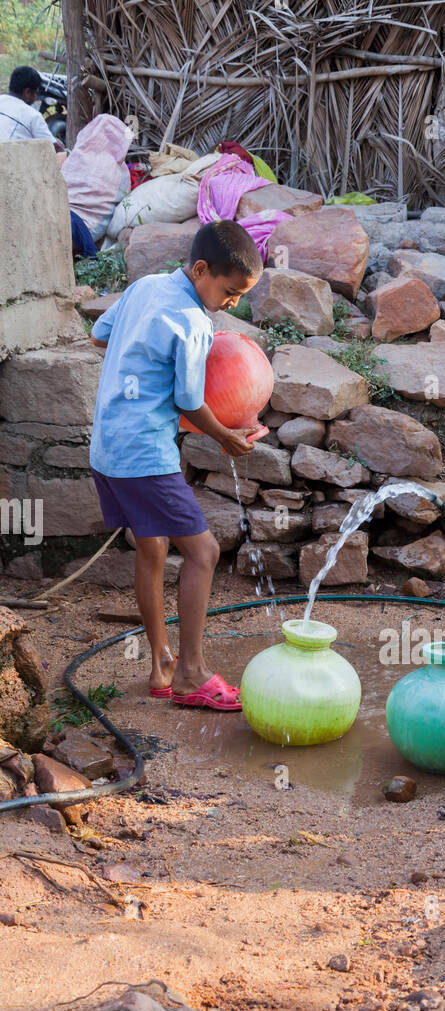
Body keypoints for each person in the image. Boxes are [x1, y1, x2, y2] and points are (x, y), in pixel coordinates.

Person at [89, 219, 262, 710]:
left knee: (152, 547)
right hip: (145, 455)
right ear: (201, 269)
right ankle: (190, 674)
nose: (232, 304)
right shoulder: (192, 321)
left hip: (107, 447)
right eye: (229, 292)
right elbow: (188, 401)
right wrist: (226, 436)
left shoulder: (145, 286)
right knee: (204, 552)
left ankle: (161, 662)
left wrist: (142, 369)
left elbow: (102, 335)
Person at [0, 65, 64, 150]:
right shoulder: (32, 115)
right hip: (9, 160)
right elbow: (54, 147)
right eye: (36, 92)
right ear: (28, 92)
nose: (36, 97)